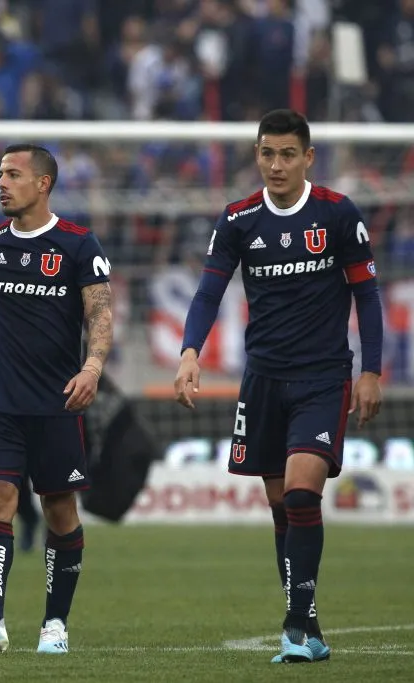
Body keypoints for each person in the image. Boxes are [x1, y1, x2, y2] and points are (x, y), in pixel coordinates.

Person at [174, 109, 383, 664]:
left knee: (298, 493)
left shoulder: (337, 214)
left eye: (288, 154)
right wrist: (190, 351)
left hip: (322, 377)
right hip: (262, 379)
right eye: (267, 153)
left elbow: (367, 295)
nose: (276, 164)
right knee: (278, 505)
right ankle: (308, 623)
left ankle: (294, 624)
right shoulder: (238, 218)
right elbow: (207, 294)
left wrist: (371, 370)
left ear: (308, 157)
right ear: (257, 156)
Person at [0, 144, 114, 654]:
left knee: (59, 509)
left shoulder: (79, 244)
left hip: (57, 403)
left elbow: (100, 315)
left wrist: (93, 366)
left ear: (42, 184)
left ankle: (54, 625)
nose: (1, 183)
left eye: (13, 175)